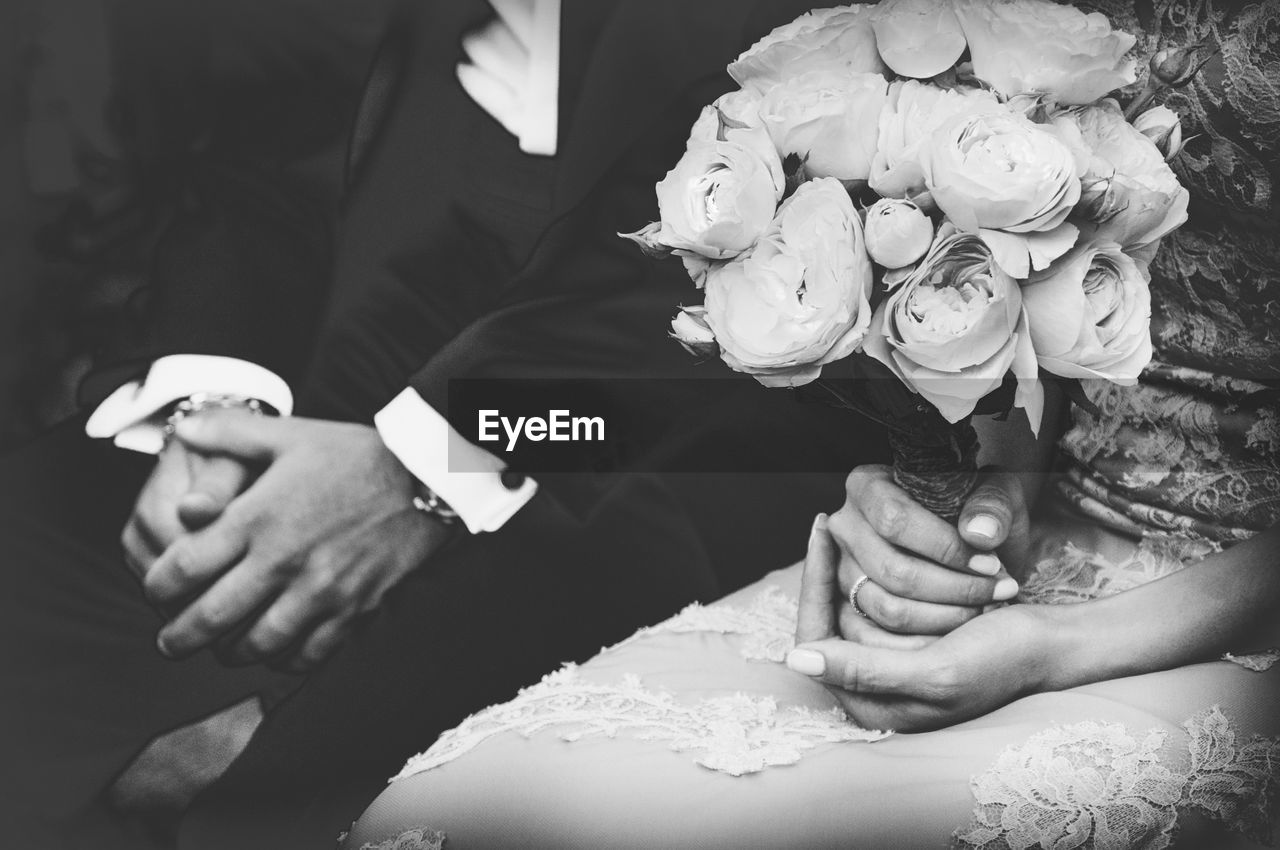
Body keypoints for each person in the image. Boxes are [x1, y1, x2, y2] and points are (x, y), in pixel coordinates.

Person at [343, 2, 1280, 847]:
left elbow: (623, 294)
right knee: (439, 809)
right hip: (504, 439)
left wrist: (425, 465)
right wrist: (996, 475)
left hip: (690, 460)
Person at [0, 1, 890, 848]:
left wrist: (428, 467)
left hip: (662, 442)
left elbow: (755, 284)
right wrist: (215, 408)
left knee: (288, 784)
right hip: (321, 370)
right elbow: (271, 147)